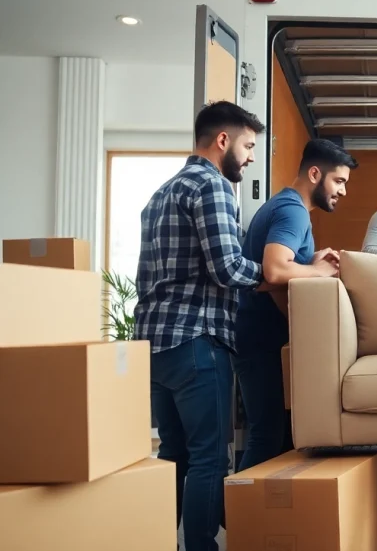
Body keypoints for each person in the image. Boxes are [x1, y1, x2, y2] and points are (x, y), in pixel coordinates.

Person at [133, 101, 267, 551]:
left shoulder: (161, 193)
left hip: (154, 347)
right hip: (197, 342)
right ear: (223, 140)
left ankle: (157, 542)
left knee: (172, 455)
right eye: (248, 146)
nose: (250, 157)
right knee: (210, 460)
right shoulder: (211, 186)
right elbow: (228, 268)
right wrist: (282, 273)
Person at [233, 138, 358, 472]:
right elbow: (274, 270)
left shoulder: (284, 207)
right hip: (261, 340)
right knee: (266, 434)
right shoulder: (293, 211)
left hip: (261, 339)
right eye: (339, 181)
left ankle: (248, 515)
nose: (343, 191)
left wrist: (310, 260)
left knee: (274, 433)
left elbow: (283, 265)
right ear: (315, 173)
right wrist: (317, 270)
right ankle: (238, 517)